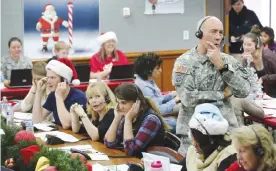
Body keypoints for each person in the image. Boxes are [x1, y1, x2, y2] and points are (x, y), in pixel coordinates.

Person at [172, 16, 251, 156]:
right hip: (193, 135)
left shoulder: (227, 60)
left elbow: (244, 90)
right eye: (213, 32)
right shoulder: (184, 62)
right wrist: (220, 94)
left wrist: (221, 66)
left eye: (221, 33)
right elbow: (187, 98)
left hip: (225, 132)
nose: (218, 37)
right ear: (199, 34)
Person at [104, 83, 168, 157]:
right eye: (118, 102)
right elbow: (109, 143)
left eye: (124, 103)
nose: (120, 107)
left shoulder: (151, 120)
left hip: (151, 165)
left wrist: (128, 120)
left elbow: (131, 151)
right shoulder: (128, 114)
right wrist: (117, 118)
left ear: (137, 102)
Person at [32, 59, 86, 129]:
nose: (48, 81)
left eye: (52, 78)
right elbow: (36, 120)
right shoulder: (52, 96)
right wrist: (38, 92)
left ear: (64, 80)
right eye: (47, 78)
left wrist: (58, 97)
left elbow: (67, 125)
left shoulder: (79, 97)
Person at [134, 52, 180, 132]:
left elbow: (159, 99)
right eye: (157, 68)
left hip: (155, 113)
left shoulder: (148, 80)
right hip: (152, 116)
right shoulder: (144, 87)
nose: (160, 70)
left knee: (183, 107)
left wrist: (173, 95)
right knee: (178, 123)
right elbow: (158, 110)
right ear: (148, 70)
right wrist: (175, 100)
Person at [184, 103, 236, 171]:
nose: (193, 143)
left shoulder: (227, 156)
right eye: (192, 137)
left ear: (209, 139)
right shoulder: (192, 150)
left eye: (196, 139)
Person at [242, 25, 276, 97]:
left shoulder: (268, 55)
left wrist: (263, 78)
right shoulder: (246, 59)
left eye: (249, 45)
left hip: (273, 94)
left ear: (257, 45)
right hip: (256, 95)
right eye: (244, 44)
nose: (245, 47)